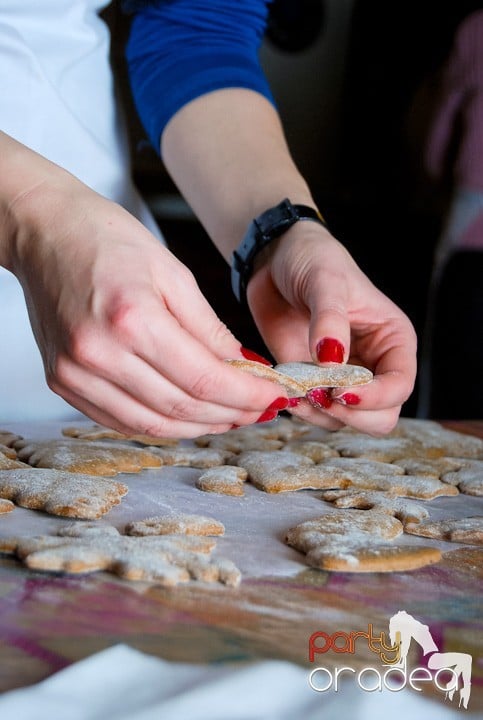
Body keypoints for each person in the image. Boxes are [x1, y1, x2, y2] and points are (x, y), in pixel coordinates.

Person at [0, 0, 417, 437]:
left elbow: (195, 30)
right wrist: (31, 213)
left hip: (117, 335)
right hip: (72, 236)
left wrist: (280, 231)